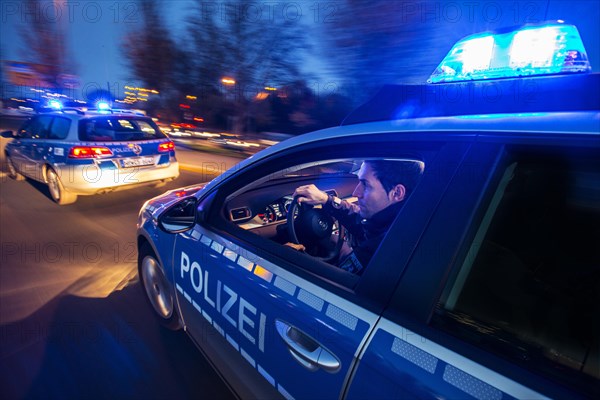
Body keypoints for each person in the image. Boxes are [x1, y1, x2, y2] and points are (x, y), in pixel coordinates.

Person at [291, 160, 423, 274]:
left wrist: (290, 256)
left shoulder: (382, 250)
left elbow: (335, 283)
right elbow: (360, 221)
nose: (356, 193)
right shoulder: (401, 221)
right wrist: (327, 200)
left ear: (397, 193)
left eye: (365, 185)